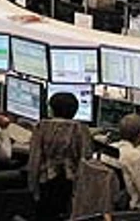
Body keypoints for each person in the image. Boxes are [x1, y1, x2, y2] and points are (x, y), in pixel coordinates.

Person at [27, 93, 92, 221]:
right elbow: (86, 158)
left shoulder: (41, 127)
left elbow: (34, 160)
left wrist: (33, 188)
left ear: (52, 109)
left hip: (46, 182)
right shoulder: (81, 129)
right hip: (70, 184)